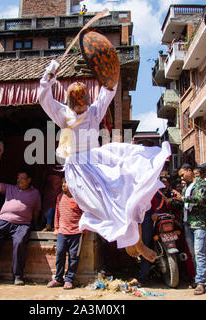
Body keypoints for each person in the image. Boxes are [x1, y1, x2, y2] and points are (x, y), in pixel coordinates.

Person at [38, 59, 171, 263]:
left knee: (125, 190)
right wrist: (49, 74)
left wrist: (109, 75)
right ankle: (130, 241)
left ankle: (136, 242)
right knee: (98, 207)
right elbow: (43, 98)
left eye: (84, 104)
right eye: (77, 105)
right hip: (77, 168)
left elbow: (107, 93)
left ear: (87, 101)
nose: (81, 108)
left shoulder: (93, 112)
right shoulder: (62, 114)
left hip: (97, 161)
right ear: (71, 103)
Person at [0, 161, 41, 285]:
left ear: (29, 180)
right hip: (3, 220)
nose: (19, 180)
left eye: (22, 178)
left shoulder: (35, 193)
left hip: (22, 223)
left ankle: (18, 276)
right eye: (18, 178)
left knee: (19, 243)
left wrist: (35, 224)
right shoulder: (10, 188)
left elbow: (36, 211)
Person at [174, 164, 206, 295]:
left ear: (190, 171)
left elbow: (201, 199)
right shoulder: (187, 187)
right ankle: (198, 279)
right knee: (194, 254)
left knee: (199, 253)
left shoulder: (202, 184)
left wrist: (183, 198)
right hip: (187, 223)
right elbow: (182, 203)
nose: (182, 178)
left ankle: (201, 282)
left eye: (183, 175)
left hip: (199, 224)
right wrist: (171, 200)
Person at [47, 178, 84, 289]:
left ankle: (69, 279)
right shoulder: (60, 197)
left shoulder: (78, 198)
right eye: (63, 182)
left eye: (66, 182)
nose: (64, 184)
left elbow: (85, 215)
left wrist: (84, 229)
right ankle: (58, 279)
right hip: (62, 232)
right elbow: (57, 213)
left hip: (76, 232)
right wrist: (56, 228)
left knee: (74, 257)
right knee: (60, 254)